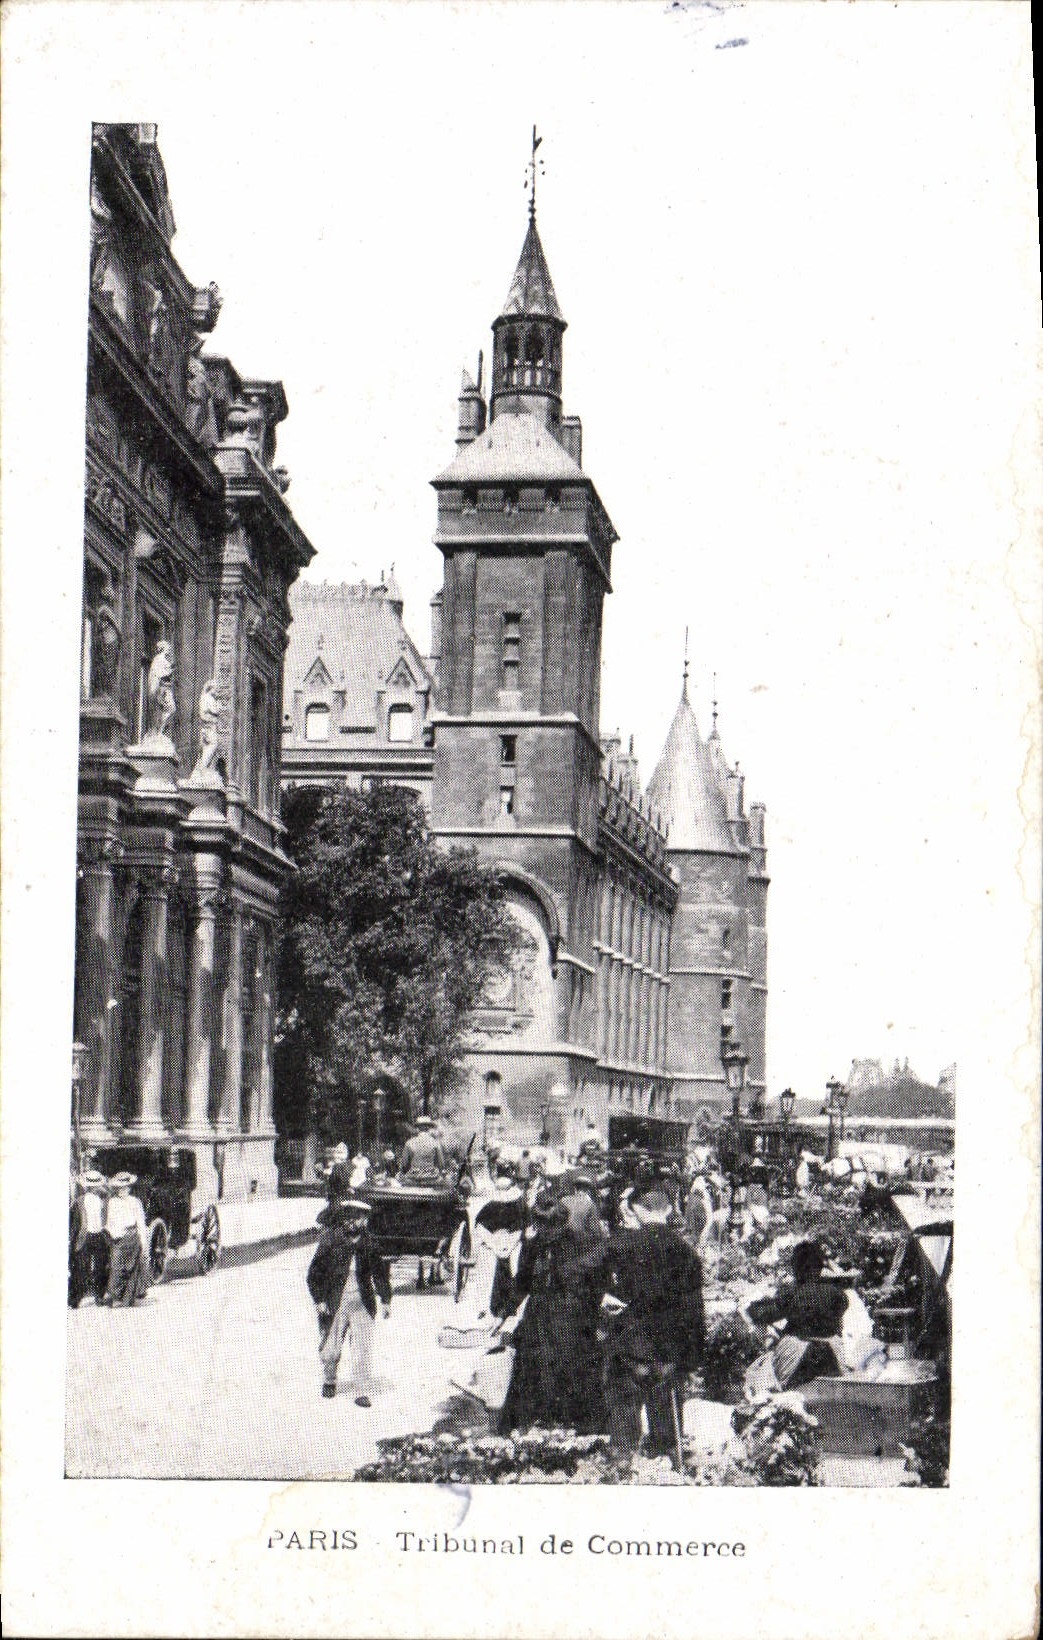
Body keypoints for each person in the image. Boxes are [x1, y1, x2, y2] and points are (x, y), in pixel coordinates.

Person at [599, 1183, 706, 1462]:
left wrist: (604, 1308)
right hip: (669, 1349)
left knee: (624, 1420)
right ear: (669, 1209)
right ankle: (668, 1462)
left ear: (635, 1209)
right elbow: (694, 1311)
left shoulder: (622, 1245)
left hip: (630, 1345)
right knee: (667, 1424)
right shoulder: (686, 1252)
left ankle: (622, 1464)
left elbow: (585, 1273)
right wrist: (692, 1358)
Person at [498, 1186, 606, 1436]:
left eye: (549, 1228)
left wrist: (591, 1310)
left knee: (569, 1367)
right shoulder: (535, 1244)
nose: (545, 1233)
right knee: (535, 1366)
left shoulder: (582, 1244)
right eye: (541, 1228)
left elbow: (598, 1282)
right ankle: (533, 1423)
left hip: (571, 1314)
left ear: (561, 1223)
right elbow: (523, 1281)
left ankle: (572, 1424)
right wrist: (506, 1311)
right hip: (542, 1314)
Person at [306, 1196, 392, 1404]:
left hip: (362, 1302)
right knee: (330, 1347)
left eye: (358, 1218)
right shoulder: (331, 1240)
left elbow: (380, 1274)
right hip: (335, 1300)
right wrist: (319, 1300)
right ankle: (329, 1379)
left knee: (362, 1347)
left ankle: (361, 1391)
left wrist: (385, 1299)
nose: (353, 1222)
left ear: (365, 1220)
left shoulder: (370, 1243)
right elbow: (314, 1273)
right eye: (349, 1218)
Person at [744, 1239, 848, 1390]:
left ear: (797, 1267)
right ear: (820, 1267)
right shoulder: (837, 1293)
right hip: (833, 1353)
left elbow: (763, 1314)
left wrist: (754, 1307)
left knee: (763, 1372)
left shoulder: (793, 1293)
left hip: (797, 1354)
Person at [102, 1172, 150, 1306]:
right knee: (116, 1266)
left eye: (125, 1188)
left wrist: (143, 1242)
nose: (122, 1190)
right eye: (119, 1188)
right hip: (117, 1237)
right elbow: (110, 1221)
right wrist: (113, 1234)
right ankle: (114, 1295)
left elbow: (140, 1222)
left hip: (132, 1236)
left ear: (129, 1188)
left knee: (131, 1267)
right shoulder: (112, 1202)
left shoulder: (135, 1202)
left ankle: (127, 1299)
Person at [69, 1168, 110, 1307]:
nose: (95, 1188)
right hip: (85, 1236)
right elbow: (74, 1222)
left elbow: (104, 1219)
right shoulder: (79, 1202)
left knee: (100, 1266)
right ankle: (76, 1298)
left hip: (98, 1235)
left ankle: (98, 1296)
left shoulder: (101, 1201)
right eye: (94, 1186)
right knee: (82, 1268)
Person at [398, 1115, 446, 1184]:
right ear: (429, 1127)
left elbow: (404, 1165)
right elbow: (441, 1165)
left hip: (413, 1178)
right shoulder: (435, 1143)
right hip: (431, 1178)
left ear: (418, 1128)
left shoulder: (409, 1142)